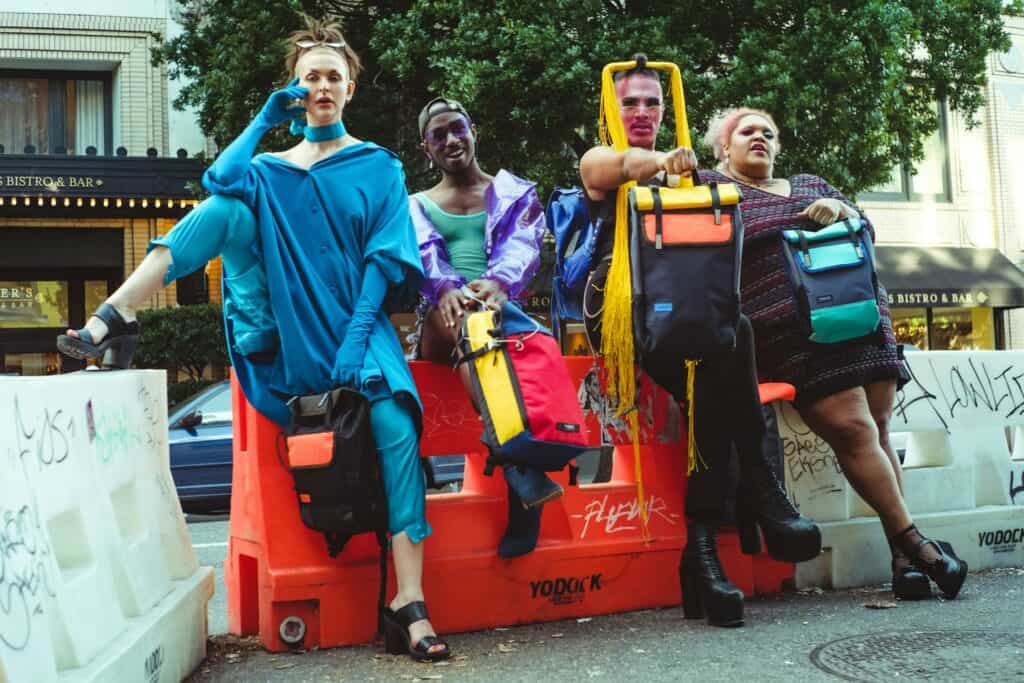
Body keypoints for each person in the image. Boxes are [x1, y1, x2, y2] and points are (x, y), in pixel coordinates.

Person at [57, 16, 451, 661]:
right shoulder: (269, 168)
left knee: (396, 429)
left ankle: (408, 602)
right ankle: (116, 312)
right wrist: (264, 120)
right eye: (309, 77)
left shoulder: (377, 165)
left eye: (332, 76)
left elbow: (386, 260)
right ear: (296, 89)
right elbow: (219, 180)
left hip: (361, 324)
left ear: (351, 88)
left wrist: (357, 337)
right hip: (293, 330)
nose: (322, 85)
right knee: (224, 210)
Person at [578, 58, 821, 628]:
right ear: (612, 107)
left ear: (665, 109)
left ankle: (704, 558)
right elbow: (624, 165)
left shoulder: (691, 174)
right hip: (626, 313)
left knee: (724, 354)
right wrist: (661, 162)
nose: (641, 111)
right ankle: (757, 491)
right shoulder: (603, 158)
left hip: (688, 307)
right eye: (630, 102)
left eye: (651, 103)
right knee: (725, 351)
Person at [701, 107, 967, 601]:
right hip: (792, 331)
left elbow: (866, 230)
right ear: (723, 145)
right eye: (747, 131)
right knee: (856, 430)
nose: (759, 137)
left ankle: (905, 562)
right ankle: (917, 546)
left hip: (861, 316)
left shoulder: (808, 183)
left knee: (879, 430)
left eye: (769, 132)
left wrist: (841, 211)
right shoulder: (709, 187)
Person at [409, 97, 558, 558]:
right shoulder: (414, 204)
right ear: (426, 149)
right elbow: (421, 255)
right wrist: (445, 288)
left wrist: (497, 283)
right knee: (463, 317)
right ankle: (518, 465)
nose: (451, 140)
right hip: (439, 318)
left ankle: (520, 469)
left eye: (458, 129)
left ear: (473, 131)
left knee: (537, 341)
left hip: (497, 314)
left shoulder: (514, 194)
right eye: (439, 136)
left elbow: (522, 248)